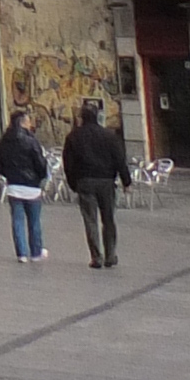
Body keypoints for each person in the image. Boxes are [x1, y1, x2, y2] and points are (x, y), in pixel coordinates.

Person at [62, 97, 129, 270]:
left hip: (85, 182)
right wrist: (126, 181)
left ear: (82, 118)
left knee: (90, 220)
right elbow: (120, 159)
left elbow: (68, 164)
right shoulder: (109, 136)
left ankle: (96, 257)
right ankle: (111, 254)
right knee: (108, 219)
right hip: (106, 181)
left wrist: (73, 183)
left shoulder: (73, 137)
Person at [0, 107, 49, 261]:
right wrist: (41, 177)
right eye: (28, 120)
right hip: (32, 186)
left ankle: (21, 253)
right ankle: (36, 252)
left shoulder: (4, 141)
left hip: (14, 186)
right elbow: (40, 162)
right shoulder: (31, 141)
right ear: (23, 122)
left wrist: (9, 174)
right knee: (34, 221)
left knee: (17, 221)